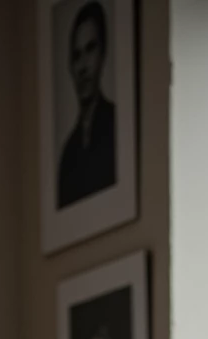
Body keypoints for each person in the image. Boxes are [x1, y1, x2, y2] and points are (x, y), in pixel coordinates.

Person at [57, 1, 116, 209]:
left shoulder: (116, 128)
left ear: (103, 53)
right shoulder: (68, 154)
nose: (83, 67)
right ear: (70, 67)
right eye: (76, 55)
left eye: (90, 49)